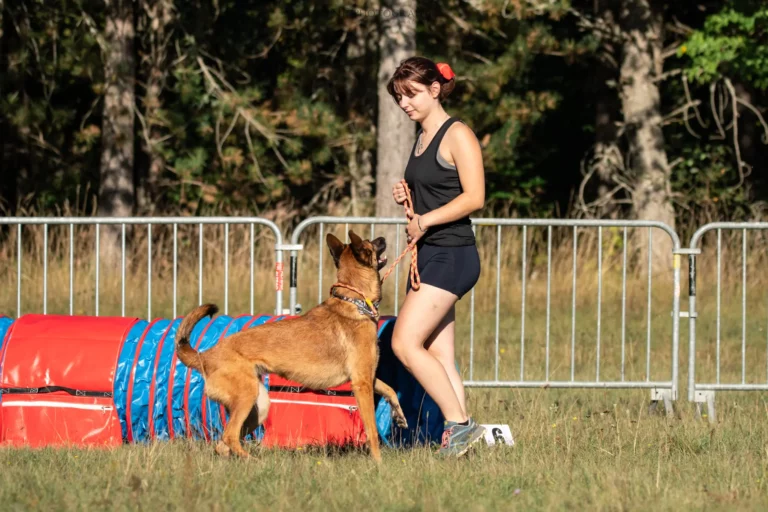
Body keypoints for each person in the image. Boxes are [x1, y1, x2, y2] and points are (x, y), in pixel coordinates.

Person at [387, 56, 486, 457]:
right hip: (430, 254)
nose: (404, 103)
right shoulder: (421, 138)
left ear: (434, 89)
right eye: (398, 97)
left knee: (404, 343)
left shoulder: (457, 134)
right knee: (441, 354)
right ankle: (462, 442)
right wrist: (406, 197)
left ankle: (460, 425)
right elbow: (436, 190)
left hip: (453, 256)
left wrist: (426, 218)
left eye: (410, 94)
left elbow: (475, 197)